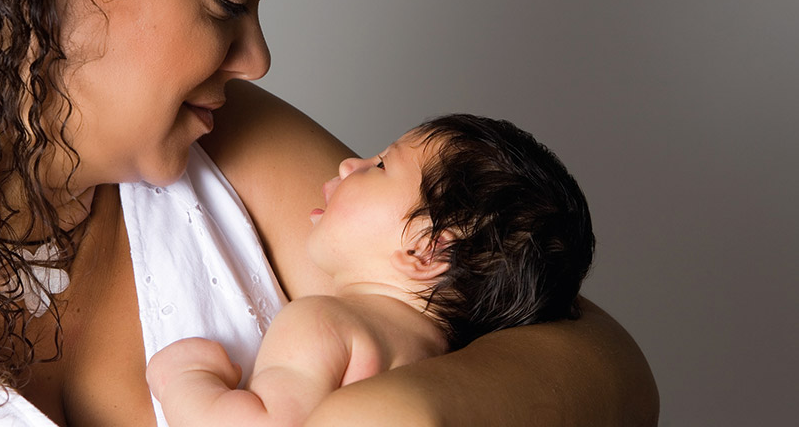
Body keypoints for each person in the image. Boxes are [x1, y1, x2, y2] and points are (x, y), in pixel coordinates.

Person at [0, 0, 658, 426]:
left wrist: (407, 411)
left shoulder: (227, 140)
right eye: (226, 2)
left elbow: (605, 365)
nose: (257, 59)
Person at [146, 114, 596, 426]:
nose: (349, 163)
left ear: (426, 248)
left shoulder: (323, 323)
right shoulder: (441, 358)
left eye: (381, 165)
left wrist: (184, 379)